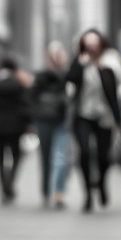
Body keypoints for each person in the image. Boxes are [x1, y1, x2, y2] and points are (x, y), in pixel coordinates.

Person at [65, 29, 121, 212]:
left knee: (104, 156)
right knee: (84, 152)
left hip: (104, 115)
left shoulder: (109, 62)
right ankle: (88, 193)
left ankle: (102, 183)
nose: (91, 47)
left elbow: (115, 93)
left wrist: (118, 120)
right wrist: (81, 65)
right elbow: (69, 80)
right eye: (88, 44)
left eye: (94, 43)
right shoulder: (79, 62)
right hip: (83, 115)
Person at [31, 41, 71, 208]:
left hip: (62, 121)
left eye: (59, 54)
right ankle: (46, 192)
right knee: (45, 157)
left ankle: (58, 192)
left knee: (62, 158)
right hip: (44, 121)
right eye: (53, 54)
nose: (56, 58)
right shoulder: (41, 76)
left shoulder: (67, 75)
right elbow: (32, 97)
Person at [0, 57, 32, 203]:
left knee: (0, 156)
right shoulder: (18, 85)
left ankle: (3, 183)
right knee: (16, 155)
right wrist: (27, 124)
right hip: (16, 126)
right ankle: (11, 179)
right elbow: (25, 106)